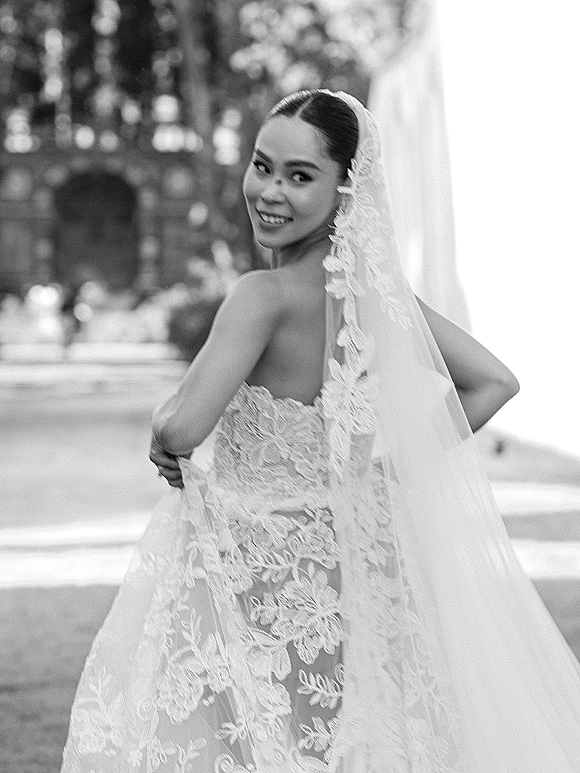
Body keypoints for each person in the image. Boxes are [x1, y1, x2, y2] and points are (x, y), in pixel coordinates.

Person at [60, 91, 580, 773]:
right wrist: (387, 472)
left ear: (345, 189)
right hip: (351, 564)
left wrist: (163, 420)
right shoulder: (377, 294)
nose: (270, 191)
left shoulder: (260, 297)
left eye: (300, 176)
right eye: (262, 165)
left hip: (250, 569)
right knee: (343, 741)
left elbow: (186, 425)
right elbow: (494, 382)